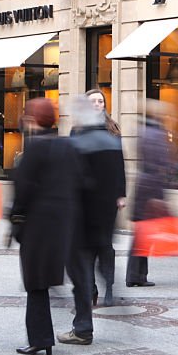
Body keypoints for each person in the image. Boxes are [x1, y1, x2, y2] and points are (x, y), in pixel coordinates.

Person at [10, 98, 82, 355]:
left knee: (36, 283)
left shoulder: (35, 148)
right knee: (46, 278)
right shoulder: (67, 146)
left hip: (37, 225)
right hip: (61, 222)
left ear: (32, 119)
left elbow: (23, 190)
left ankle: (40, 338)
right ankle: (46, 336)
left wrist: (16, 219)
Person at [59, 96, 127, 345]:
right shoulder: (109, 140)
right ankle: (107, 288)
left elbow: (71, 182)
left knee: (81, 273)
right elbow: (118, 170)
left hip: (81, 218)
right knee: (97, 259)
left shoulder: (78, 143)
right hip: (105, 215)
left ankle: (83, 327)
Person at [76, 88, 124, 307]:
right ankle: (90, 287)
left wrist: (121, 194)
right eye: (93, 101)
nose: (97, 104)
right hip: (84, 198)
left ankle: (109, 287)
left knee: (105, 244)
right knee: (85, 246)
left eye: (100, 101)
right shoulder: (77, 131)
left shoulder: (113, 129)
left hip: (107, 198)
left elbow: (119, 164)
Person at [126, 100, 176, 287]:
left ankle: (137, 275)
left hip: (143, 188)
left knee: (141, 233)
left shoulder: (144, 132)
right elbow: (160, 164)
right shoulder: (157, 134)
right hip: (151, 189)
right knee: (143, 234)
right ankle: (136, 275)